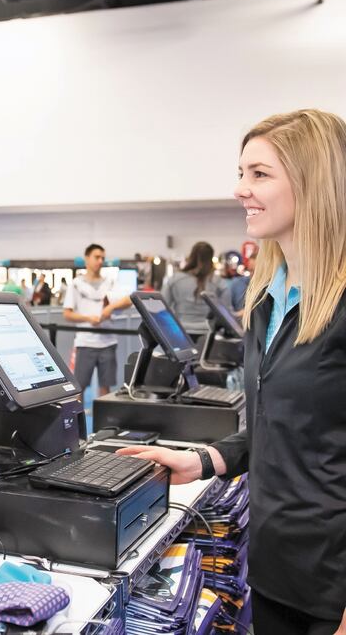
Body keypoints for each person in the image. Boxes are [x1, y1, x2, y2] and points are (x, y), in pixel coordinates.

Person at [119, 109, 346, 635]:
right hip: (274, 571)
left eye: (259, 174)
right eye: (241, 173)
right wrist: (204, 459)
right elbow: (282, 426)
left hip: (332, 590)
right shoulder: (267, 299)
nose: (241, 189)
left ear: (315, 183)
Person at [63, 244, 132, 397]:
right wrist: (88, 318)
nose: (100, 261)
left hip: (108, 343)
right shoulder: (75, 284)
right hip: (85, 343)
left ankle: (103, 421)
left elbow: (129, 300)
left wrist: (110, 308)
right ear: (87, 258)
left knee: (105, 388)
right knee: (79, 388)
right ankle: (76, 420)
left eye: (102, 258)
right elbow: (67, 314)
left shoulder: (111, 282)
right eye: (96, 257)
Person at [161, 241, 232, 337]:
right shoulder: (219, 282)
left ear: (191, 256)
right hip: (209, 335)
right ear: (210, 258)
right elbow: (226, 313)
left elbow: (162, 309)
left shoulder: (174, 279)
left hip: (180, 332)